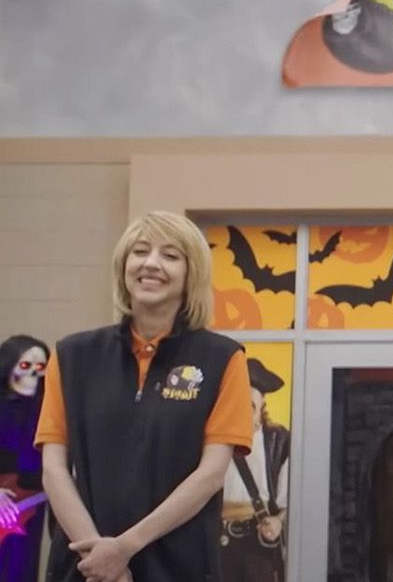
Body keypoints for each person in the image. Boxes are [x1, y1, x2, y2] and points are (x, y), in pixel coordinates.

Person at [35, 211, 254, 582]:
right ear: (124, 266)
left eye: (170, 255)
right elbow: (54, 469)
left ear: (191, 274)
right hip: (84, 566)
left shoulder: (223, 359)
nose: (151, 264)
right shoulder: (72, 355)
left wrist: (124, 549)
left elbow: (210, 474)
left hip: (179, 567)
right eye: (140, 251)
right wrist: (99, 556)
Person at [219, 358, 291, 581]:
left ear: (261, 409)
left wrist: (279, 521)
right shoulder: (215, 441)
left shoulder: (278, 442)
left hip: (259, 543)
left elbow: (292, 503)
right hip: (220, 542)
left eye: (250, 406)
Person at [0, 334, 50, 582]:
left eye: (40, 367)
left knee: (23, 567)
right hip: (4, 497)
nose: (34, 373)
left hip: (33, 502)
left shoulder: (46, 408)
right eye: (25, 365)